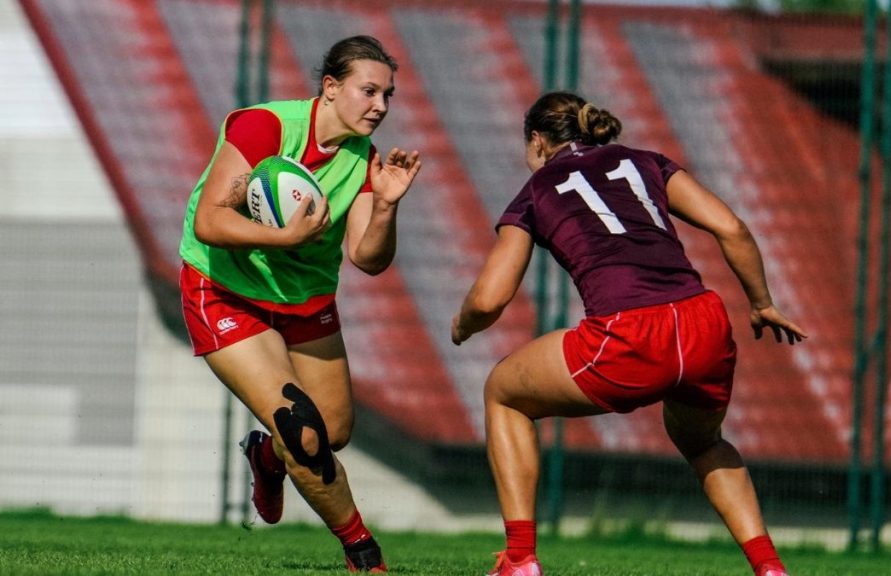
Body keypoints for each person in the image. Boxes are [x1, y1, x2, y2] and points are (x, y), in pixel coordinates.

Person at [451, 91, 807, 576]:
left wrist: (462, 325)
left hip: (629, 331)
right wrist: (762, 303)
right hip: (703, 321)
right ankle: (769, 568)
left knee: (503, 394)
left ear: (536, 141)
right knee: (704, 443)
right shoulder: (646, 162)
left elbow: (490, 298)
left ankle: (519, 559)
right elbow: (732, 228)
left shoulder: (536, 191)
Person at [178, 35, 421, 573]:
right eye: (369, 91)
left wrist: (384, 206)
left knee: (333, 433)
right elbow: (209, 220)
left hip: (304, 302)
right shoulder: (265, 126)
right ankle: (365, 555)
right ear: (330, 88)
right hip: (226, 291)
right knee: (302, 429)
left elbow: (368, 258)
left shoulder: (365, 159)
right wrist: (285, 239)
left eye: (388, 95)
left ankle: (266, 456)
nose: (380, 106)